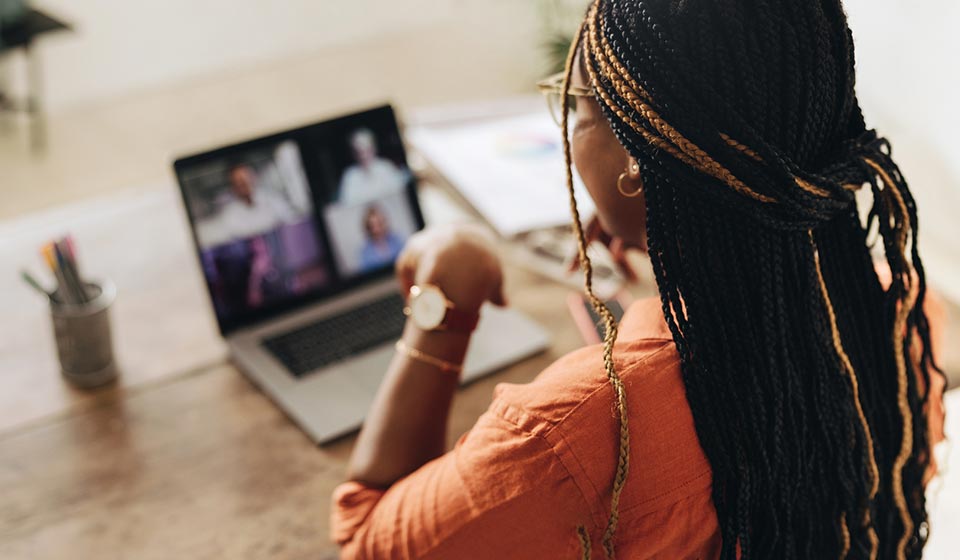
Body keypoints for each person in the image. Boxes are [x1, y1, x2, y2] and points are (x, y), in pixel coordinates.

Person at [331, 1, 947, 558]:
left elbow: (367, 540)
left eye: (577, 108)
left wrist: (446, 298)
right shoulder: (898, 313)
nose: (571, 128)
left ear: (636, 156)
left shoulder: (582, 429)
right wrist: (675, 237)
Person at [197, 162, 299, 248]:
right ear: (233, 187)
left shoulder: (273, 200)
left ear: (254, 177)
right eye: (239, 182)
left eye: (246, 178)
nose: (244, 184)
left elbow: (291, 227)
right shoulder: (229, 214)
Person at [337, 128, 409, 205]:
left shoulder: (386, 167)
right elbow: (345, 204)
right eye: (358, 152)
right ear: (353, 153)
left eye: (367, 150)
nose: (363, 156)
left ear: (373, 148)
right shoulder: (350, 176)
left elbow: (401, 194)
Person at [358, 205, 404, 272]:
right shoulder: (365, 252)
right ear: (368, 228)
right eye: (373, 226)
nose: (377, 229)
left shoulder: (397, 239)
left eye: (379, 223)